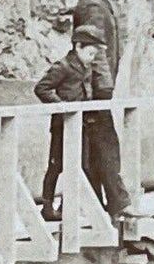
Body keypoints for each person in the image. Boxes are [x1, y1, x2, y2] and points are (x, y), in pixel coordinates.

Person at [35, 24, 136, 222]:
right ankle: (47, 206)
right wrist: (62, 106)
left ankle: (66, 205)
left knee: (80, 164)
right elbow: (42, 88)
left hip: (80, 125)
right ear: (78, 47)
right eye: (90, 52)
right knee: (56, 165)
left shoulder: (86, 67)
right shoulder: (63, 66)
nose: (93, 57)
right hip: (62, 125)